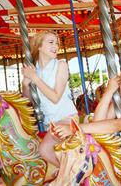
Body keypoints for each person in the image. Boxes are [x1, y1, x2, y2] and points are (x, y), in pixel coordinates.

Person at [21, 30, 78, 167]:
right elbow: (27, 100)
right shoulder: (36, 70)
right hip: (49, 123)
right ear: (39, 46)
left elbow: (55, 97)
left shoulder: (61, 65)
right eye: (51, 42)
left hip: (66, 119)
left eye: (57, 43)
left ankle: (74, 175)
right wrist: (26, 85)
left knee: (44, 150)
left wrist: (34, 78)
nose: (56, 46)